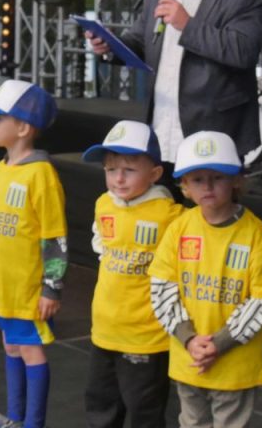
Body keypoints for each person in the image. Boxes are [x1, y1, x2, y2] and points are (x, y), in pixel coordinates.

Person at [87, 0, 262, 177]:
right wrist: (109, 47)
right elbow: (140, 41)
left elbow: (243, 51)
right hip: (161, 130)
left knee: (207, 204)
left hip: (214, 136)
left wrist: (187, 24)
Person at [148, 131, 262, 428]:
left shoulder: (256, 234)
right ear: (184, 186)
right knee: (192, 422)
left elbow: (259, 301)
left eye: (217, 177)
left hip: (234, 363)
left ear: (236, 180)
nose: (207, 187)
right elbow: (162, 289)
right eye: (197, 179)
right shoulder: (179, 228)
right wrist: (189, 338)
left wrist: (219, 344)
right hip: (188, 358)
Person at [0, 80, 67, 428]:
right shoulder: (0, 169)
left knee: (30, 349)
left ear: (23, 128)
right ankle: (14, 417)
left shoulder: (41, 175)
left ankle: (32, 423)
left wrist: (51, 287)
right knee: (11, 346)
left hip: (26, 289)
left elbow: (55, 237)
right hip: (2, 285)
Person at [81, 120, 184, 428]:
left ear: (154, 173)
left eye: (129, 169)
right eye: (111, 169)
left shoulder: (171, 216)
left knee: (144, 408)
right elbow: (102, 246)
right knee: (100, 402)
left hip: (146, 334)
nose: (119, 178)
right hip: (105, 328)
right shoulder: (104, 204)